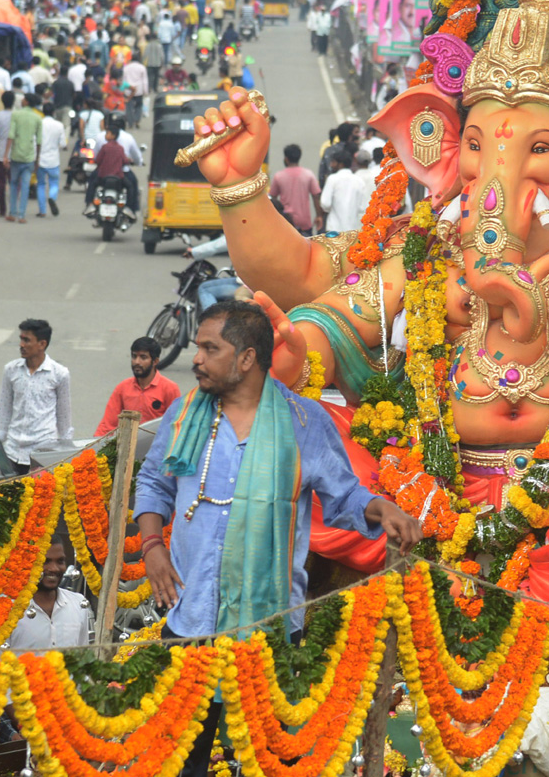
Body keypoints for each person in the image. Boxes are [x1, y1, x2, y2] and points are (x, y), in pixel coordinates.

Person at [134, 299, 423, 777]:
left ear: (247, 358)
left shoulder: (304, 422)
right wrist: (152, 547)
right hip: (188, 617)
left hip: (268, 626)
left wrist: (383, 507)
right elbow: (154, 483)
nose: (197, 359)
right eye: (198, 347)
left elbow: (346, 496)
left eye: (211, 348)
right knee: (178, 762)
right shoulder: (185, 414)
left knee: (268, 763)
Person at [0, 319, 73, 475]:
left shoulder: (59, 374)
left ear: (42, 344)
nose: (21, 344)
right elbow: (3, 412)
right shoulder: (11, 370)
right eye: (21, 339)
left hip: (43, 454)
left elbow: (64, 418)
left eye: (26, 340)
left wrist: (66, 453)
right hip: (12, 453)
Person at [6, 543, 90, 650]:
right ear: (27, 563)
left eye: (60, 561)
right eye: (45, 562)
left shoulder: (78, 604)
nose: (54, 568)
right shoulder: (5, 608)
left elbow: (83, 657)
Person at [95, 337, 182, 436]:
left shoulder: (170, 389)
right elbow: (107, 425)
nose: (137, 362)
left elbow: (176, 426)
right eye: (134, 356)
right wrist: (95, 448)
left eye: (143, 357)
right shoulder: (122, 388)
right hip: (127, 447)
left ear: (155, 361)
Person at [4, 92, 43, 223]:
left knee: (14, 184)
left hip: (16, 155)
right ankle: (22, 215)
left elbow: (11, 135)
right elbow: (39, 141)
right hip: (29, 156)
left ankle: (12, 212)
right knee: (25, 186)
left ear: (26, 101)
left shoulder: (16, 115)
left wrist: (5, 155)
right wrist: (37, 159)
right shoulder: (37, 118)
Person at [270, 144, 323, 235]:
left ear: (286, 159)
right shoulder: (308, 175)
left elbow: (272, 198)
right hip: (304, 222)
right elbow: (316, 196)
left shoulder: (278, 176)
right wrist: (319, 216)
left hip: (286, 221)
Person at [85, 125, 133, 215]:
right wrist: (129, 161)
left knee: (92, 185)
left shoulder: (105, 147)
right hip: (118, 177)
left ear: (113, 135)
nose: (106, 135)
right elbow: (125, 161)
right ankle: (129, 207)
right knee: (130, 186)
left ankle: (89, 203)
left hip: (103, 177)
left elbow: (98, 160)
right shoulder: (120, 148)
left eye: (107, 133)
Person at [319, 147, 367, 233]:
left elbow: (325, 203)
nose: (331, 165)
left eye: (333, 162)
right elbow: (362, 207)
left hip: (334, 229)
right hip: (353, 229)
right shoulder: (359, 181)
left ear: (341, 164)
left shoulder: (332, 179)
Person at [35, 103, 66, 217]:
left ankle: (42, 211)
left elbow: (34, 142)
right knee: (54, 183)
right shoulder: (59, 125)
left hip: (40, 159)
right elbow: (63, 143)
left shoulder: (39, 123)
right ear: (54, 112)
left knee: (41, 185)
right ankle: (52, 198)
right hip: (54, 160)